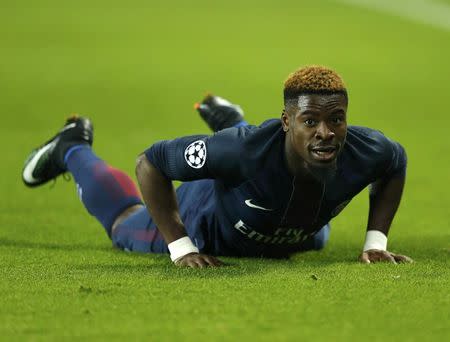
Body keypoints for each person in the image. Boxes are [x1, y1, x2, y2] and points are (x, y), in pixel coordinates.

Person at [22, 65, 413, 268]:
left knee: (317, 236)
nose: (326, 133)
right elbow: (150, 162)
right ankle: (72, 147)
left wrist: (376, 243)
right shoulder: (243, 154)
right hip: (207, 219)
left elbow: (396, 161)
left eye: (337, 119)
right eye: (311, 121)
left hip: (293, 231)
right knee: (124, 223)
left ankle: (229, 119)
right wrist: (180, 246)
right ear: (287, 121)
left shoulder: (367, 148)